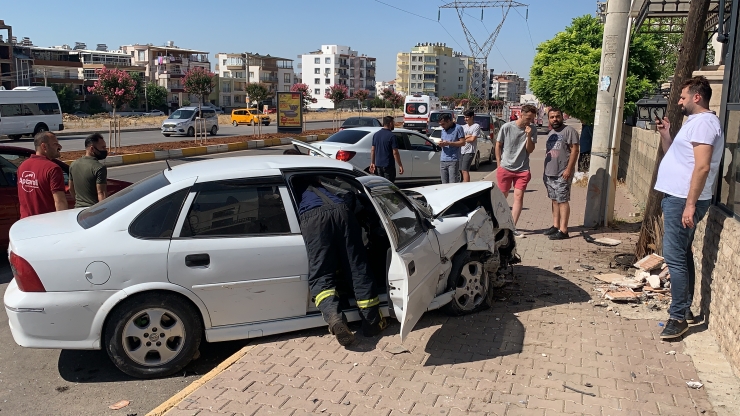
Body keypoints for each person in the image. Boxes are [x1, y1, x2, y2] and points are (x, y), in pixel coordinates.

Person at [653, 76, 724, 340]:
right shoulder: (694, 123)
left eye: (683, 97)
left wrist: (690, 204)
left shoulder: (705, 123)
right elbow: (677, 156)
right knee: (681, 255)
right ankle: (686, 310)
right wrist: (666, 135)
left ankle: (678, 317)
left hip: (684, 199)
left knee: (674, 258)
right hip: (679, 197)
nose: (679, 101)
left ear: (697, 97)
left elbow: (703, 166)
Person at [295, 176, 386, 346]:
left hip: (313, 219)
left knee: (322, 275)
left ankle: (335, 318)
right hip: (341, 210)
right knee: (357, 268)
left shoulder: (295, 185)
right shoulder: (315, 179)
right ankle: (372, 323)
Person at [495, 104, 538, 237]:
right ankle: (497, 224)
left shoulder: (532, 129)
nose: (529, 121)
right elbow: (498, 145)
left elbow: (530, 150)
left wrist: (529, 135)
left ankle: (512, 227)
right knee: (502, 197)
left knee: (518, 196)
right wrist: (498, 163)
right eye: (528, 118)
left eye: (532, 119)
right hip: (506, 167)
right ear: (521, 114)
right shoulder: (507, 127)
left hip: (522, 169)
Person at [542, 108, 580, 240]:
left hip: (562, 172)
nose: (555, 119)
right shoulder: (551, 132)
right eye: (552, 117)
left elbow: (575, 150)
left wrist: (569, 169)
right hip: (549, 173)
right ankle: (555, 225)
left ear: (562, 117)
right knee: (554, 200)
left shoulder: (569, 131)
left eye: (557, 116)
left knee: (562, 200)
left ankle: (564, 230)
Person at [17, 132, 67, 218]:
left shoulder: (22, 166)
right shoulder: (53, 168)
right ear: (44, 146)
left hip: (25, 223)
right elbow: (60, 202)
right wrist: (63, 224)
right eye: (55, 144)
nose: (60, 147)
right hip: (46, 224)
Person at [69, 133, 108, 208]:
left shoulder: (73, 164)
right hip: (93, 210)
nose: (105, 150)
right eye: (103, 148)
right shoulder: (99, 167)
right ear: (92, 148)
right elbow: (101, 193)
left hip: (78, 209)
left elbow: (71, 189)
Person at [369, 116, 404, 182]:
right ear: (390, 123)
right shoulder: (392, 136)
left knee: (381, 185)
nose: (393, 124)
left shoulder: (376, 135)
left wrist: (372, 162)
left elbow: (373, 149)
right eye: (393, 122)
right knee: (389, 185)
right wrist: (400, 165)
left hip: (379, 165)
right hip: (388, 165)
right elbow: (395, 152)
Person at [437, 113, 466, 183]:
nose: (442, 126)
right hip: (443, 159)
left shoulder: (458, 128)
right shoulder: (443, 130)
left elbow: (462, 142)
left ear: (449, 121)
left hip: (453, 159)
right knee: (444, 183)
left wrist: (449, 143)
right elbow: (444, 141)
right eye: (440, 124)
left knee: (453, 183)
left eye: (443, 124)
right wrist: (441, 144)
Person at [460, 110, 481, 182]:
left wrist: (464, 139)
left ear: (472, 117)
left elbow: (472, 139)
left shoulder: (476, 126)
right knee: (461, 170)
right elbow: (459, 138)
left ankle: (466, 186)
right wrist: (467, 136)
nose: (465, 119)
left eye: (467, 117)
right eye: (464, 117)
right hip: (461, 150)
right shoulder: (463, 127)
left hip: (470, 151)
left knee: (465, 169)